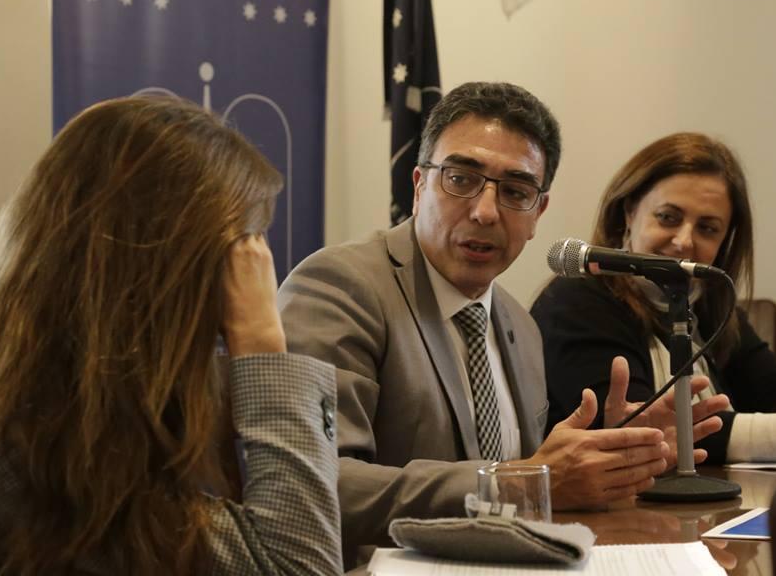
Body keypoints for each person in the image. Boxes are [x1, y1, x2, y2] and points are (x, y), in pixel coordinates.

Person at [277, 83, 726, 568]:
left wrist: (616, 453)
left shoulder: (520, 325)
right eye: (460, 179)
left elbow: (534, 483)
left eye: (515, 192)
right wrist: (514, 484)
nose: (485, 211)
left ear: (538, 213)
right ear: (419, 186)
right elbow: (314, 481)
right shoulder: (342, 286)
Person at [0, 97, 342, 575]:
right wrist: (263, 341)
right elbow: (300, 567)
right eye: (241, 251)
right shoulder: (37, 456)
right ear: (169, 273)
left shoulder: (68, 415)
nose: (253, 273)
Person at [532, 131, 776, 465]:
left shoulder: (704, 300)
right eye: (668, 217)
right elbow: (657, 432)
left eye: (708, 228)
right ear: (629, 213)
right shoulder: (575, 302)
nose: (684, 241)